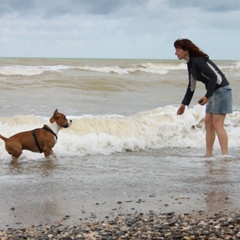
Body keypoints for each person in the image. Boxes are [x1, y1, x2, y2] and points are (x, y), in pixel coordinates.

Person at [174, 38, 232, 157]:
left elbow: (214, 78)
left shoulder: (198, 61)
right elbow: (191, 86)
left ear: (186, 50)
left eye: (177, 50)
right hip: (214, 92)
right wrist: (184, 104)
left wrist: (207, 95)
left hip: (221, 91)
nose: (176, 53)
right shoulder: (191, 64)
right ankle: (208, 155)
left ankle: (225, 156)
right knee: (208, 123)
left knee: (217, 124)